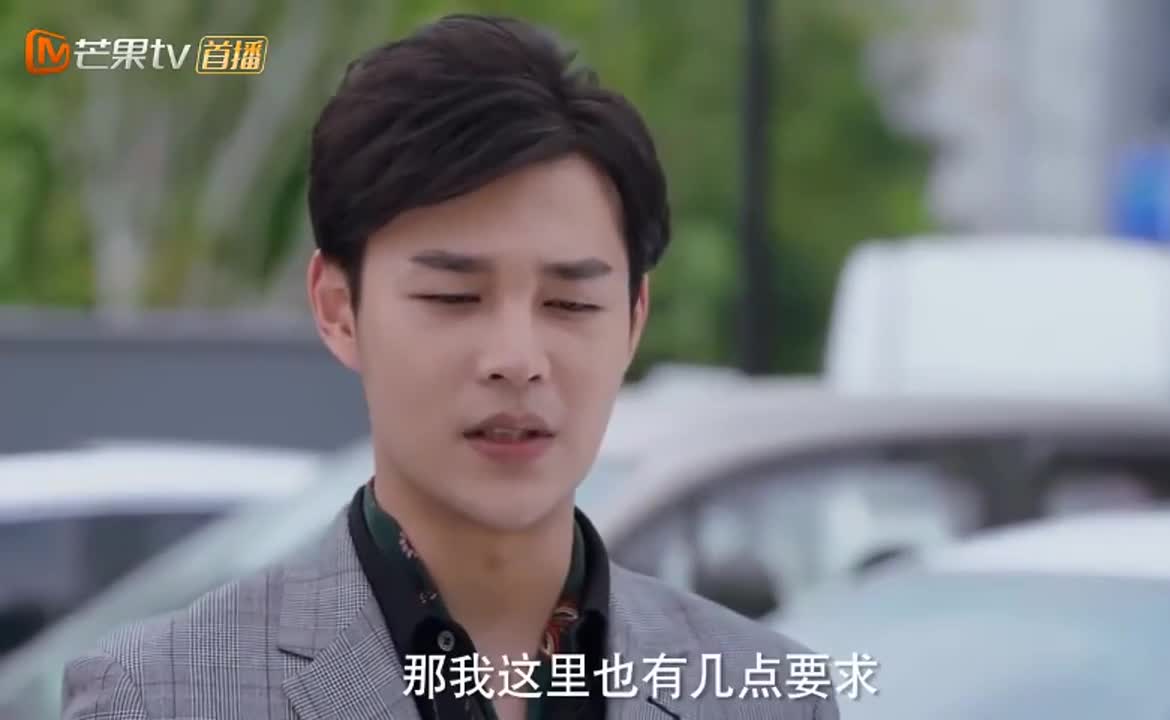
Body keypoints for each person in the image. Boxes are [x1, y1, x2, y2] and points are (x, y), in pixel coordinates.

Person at [63, 13, 839, 720]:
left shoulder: (766, 694)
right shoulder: (161, 696)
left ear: (634, 319)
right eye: (453, 297)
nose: (517, 360)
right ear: (338, 308)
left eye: (570, 304)